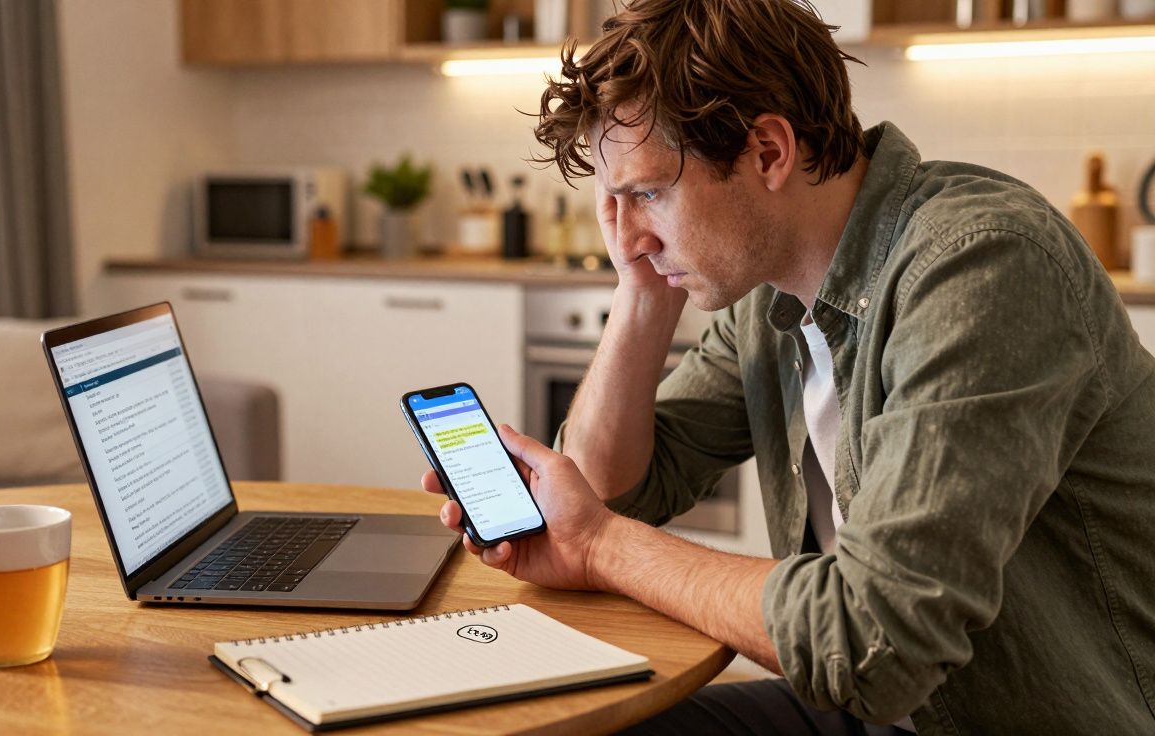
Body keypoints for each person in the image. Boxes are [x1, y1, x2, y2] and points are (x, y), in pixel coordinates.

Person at [418, 0, 1155, 733]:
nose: (630, 232)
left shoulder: (981, 264)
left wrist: (601, 547)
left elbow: (875, 643)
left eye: (648, 192)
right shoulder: (769, 295)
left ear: (768, 152)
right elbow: (612, 489)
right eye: (618, 202)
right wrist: (640, 288)